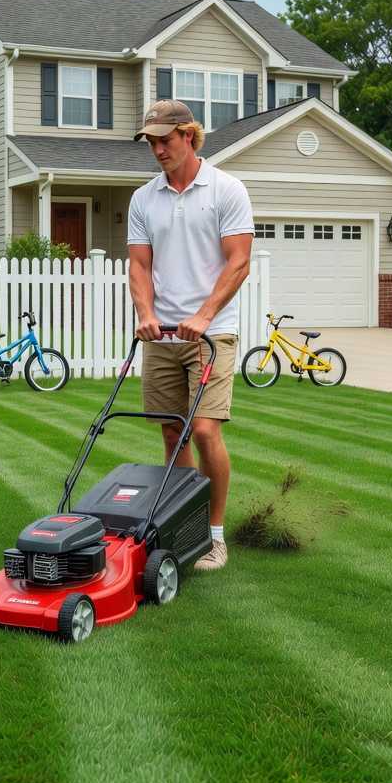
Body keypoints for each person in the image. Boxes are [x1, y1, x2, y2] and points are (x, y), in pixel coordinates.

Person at [127, 99, 253, 571]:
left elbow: (239, 261)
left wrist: (203, 315)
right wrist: (145, 313)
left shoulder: (226, 189)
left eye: (165, 140)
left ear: (188, 135)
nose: (158, 150)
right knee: (172, 432)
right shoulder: (144, 198)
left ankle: (214, 537)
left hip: (212, 334)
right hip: (162, 336)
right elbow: (140, 265)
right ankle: (187, 529)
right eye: (151, 143)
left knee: (202, 429)